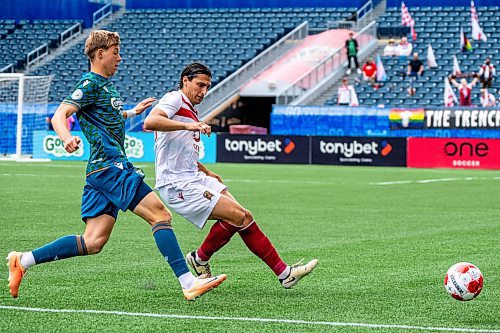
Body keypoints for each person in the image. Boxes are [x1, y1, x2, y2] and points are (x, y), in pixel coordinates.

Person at [6, 30, 225, 302]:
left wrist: (132, 112)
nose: (120, 58)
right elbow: (60, 114)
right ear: (100, 54)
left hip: (101, 172)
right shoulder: (89, 83)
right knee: (160, 215)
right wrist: (65, 138)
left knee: (93, 242)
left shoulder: (106, 86)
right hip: (110, 167)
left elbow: (107, 114)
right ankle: (188, 281)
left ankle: (22, 261)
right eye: (115, 52)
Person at [144, 62, 318, 290]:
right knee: (237, 216)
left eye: (207, 86)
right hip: (177, 185)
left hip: (194, 177)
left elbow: (180, 150)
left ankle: (282, 273)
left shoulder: (189, 107)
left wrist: (205, 171)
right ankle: (204, 259)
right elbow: (150, 122)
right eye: (200, 85)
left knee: (244, 216)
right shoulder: (174, 99)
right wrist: (191, 127)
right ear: (185, 80)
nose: (204, 91)